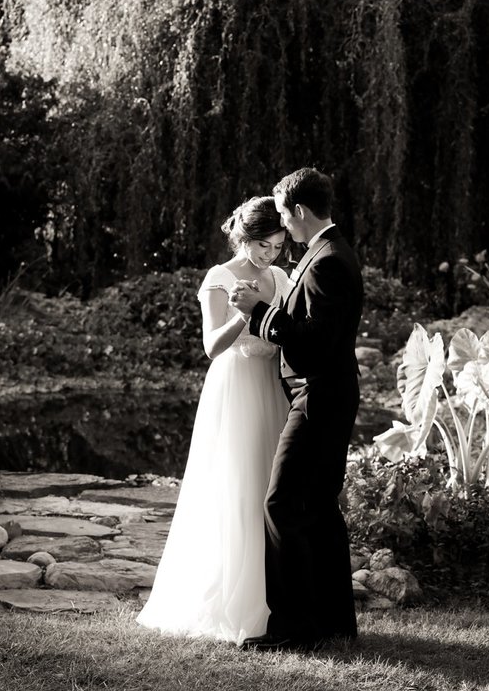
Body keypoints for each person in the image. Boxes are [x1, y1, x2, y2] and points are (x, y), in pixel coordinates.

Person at [137, 196, 291, 643]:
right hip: (237, 384)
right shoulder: (219, 278)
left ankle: (276, 597)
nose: (270, 255)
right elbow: (211, 346)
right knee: (237, 484)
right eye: (263, 245)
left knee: (271, 485)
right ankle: (232, 598)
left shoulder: (279, 276)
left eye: (278, 246)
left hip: (274, 384)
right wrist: (245, 312)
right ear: (243, 237)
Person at [230, 167, 364, 653]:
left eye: (285, 216)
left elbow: (315, 342)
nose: (283, 227)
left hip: (320, 395)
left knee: (281, 504)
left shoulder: (327, 261)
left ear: (300, 211)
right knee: (318, 508)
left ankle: (292, 628)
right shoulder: (330, 252)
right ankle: (333, 622)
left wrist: (259, 312)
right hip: (329, 392)